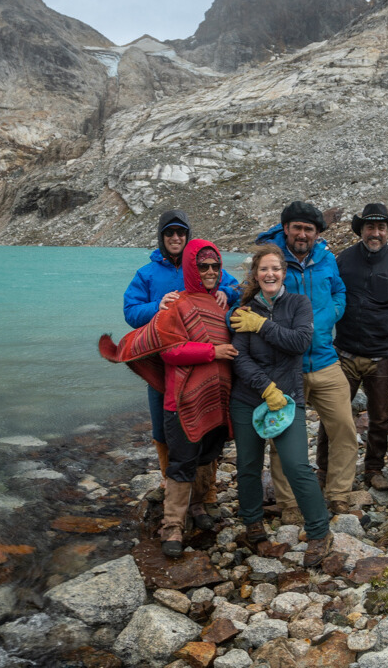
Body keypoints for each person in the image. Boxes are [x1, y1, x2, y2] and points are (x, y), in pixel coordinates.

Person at [101, 239, 237, 557]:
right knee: (182, 460)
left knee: (207, 455)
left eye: (216, 266)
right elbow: (170, 350)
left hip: (216, 398)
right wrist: (212, 351)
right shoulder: (175, 306)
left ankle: (199, 506)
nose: (210, 271)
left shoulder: (221, 305)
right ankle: (173, 524)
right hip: (183, 399)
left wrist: (230, 293)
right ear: (191, 268)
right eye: (203, 266)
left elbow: (245, 291)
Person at [228, 244, 332, 566]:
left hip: (287, 401)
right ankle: (253, 528)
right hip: (248, 398)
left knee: (296, 465)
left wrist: (261, 326)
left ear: (284, 273)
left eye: (275, 268)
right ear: (256, 274)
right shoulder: (245, 309)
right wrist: (265, 387)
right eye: (264, 269)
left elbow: (300, 342)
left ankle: (319, 531)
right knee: (248, 466)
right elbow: (239, 359)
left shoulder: (299, 304)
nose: (270, 274)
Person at [254, 201, 358, 516]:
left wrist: (330, 315)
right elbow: (249, 296)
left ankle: (338, 494)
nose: (302, 234)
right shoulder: (272, 261)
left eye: (308, 229)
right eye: (297, 227)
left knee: (344, 428)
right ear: (286, 228)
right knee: (283, 435)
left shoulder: (327, 259)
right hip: (286, 365)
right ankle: (288, 503)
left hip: (325, 359)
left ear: (317, 233)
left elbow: (339, 291)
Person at [123, 210, 239, 483]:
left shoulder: (204, 264)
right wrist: (157, 306)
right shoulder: (147, 274)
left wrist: (226, 292)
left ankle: (206, 488)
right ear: (161, 237)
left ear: (187, 236)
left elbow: (239, 287)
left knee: (208, 420)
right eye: (169, 233)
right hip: (165, 362)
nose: (175, 238)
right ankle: (169, 483)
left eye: (181, 232)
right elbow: (130, 311)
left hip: (205, 362)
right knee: (162, 426)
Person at [333, 203, 388, 492]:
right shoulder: (344, 259)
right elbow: (329, 298)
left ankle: (373, 468)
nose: (376, 233)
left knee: (381, 417)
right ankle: (326, 469)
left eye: (382, 227)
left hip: (383, 355)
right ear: (361, 230)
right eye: (370, 227)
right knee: (335, 415)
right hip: (344, 352)